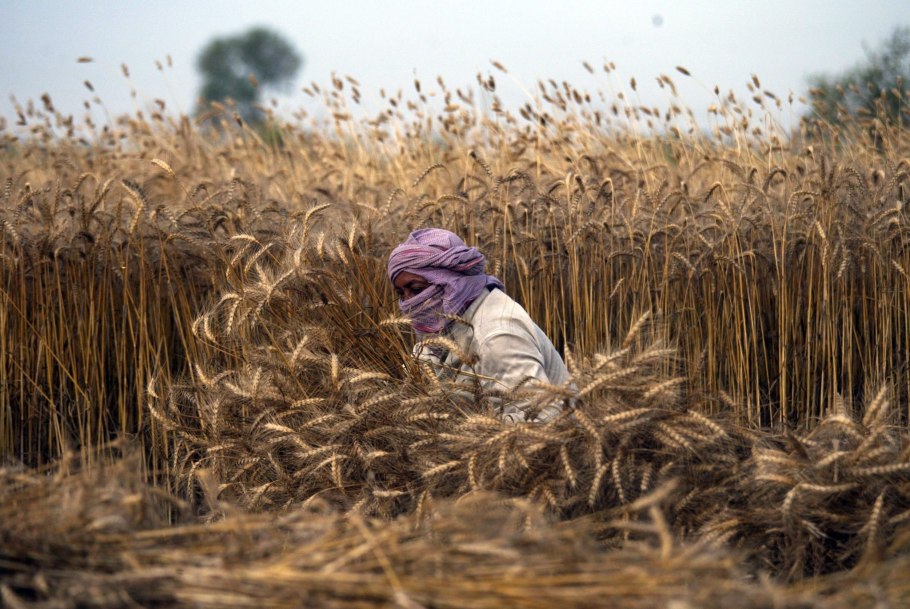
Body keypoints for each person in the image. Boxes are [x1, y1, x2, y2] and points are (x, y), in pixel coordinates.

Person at [387, 227, 571, 423]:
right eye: (400, 293)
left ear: (451, 281)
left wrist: (465, 429)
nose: (409, 303)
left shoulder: (497, 336)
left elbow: (544, 419)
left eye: (416, 289)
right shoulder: (446, 323)